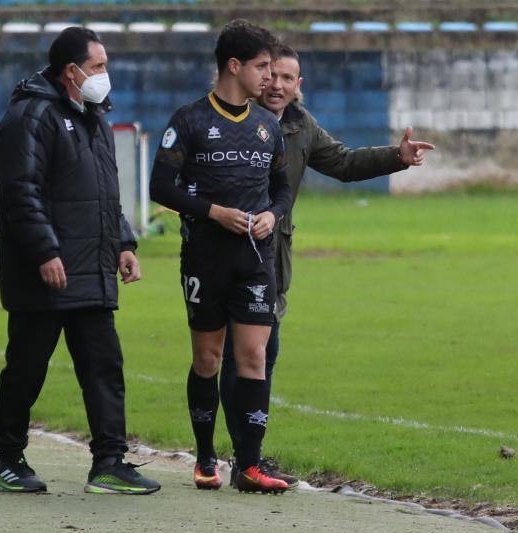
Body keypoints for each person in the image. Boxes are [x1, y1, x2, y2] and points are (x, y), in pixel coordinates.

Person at [219, 44, 436, 488]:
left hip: (271, 259)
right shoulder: (230, 120)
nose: (277, 85)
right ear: (256, 76)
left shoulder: (300, 126)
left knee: (263, 354)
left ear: (299, 86)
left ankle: (248, 457)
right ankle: (228, 455)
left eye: (287, 79)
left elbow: (343, 162)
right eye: (271, 75)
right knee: (225, 357)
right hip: (221, 253)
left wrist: (397, 157)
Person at [0, 26, 160, 496]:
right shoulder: (30, 116)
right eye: (99, 66)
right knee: (27, 367)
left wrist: (124, 243)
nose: (106, 75)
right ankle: (8, 459)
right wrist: (45, 251)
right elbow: (20, 193)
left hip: (93, 268)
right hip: (45, 272)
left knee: (105, 366)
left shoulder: (95, 119)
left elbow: (106, 193)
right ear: (72, 71)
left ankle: (109, 462)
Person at [150, 19, 293, 494]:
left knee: (253, 355)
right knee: (208, 359)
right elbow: (160, 186)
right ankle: (206, 455)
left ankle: (249, 466)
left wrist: (273, 214)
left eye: (273, 70)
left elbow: (282, 187)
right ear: (234, 66)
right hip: (205, 260)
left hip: (255, 259)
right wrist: (214, 212)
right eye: (262, 68)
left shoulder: (268, 127)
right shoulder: (189, 120)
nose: (270, 80)